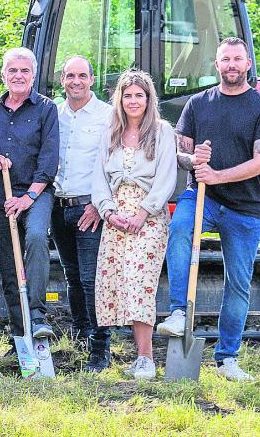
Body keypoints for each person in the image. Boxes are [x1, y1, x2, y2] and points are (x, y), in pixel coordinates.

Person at [157, 37, 260, 382]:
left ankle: (227, 358)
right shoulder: (198, 104)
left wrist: (216, 174)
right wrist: (192, 159)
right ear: (217, 65)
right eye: (225, 59)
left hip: (246, 206)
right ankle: (180, 312)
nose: (230, 65)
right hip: (202, 197)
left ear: (247, 65)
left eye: (237, 59)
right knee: (180, 228)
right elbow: (180, 153)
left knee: (238, 283)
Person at [92, 69, 177, 380]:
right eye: (127, 95)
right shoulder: (110, 133)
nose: (133, 100)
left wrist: (143, 212)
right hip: (115, 214)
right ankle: (131, 354)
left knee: (140, 283)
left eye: (139, 95)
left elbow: (167, 176)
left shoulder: (162, 131)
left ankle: (146, 358)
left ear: (148, 98)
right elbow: (99, 178)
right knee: (119, 283)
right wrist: (108, 211)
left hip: (148, 216)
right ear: (120, 100)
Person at [0, 47, 59, 341]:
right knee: (9, 267)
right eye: (12, 70)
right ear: (3, 75)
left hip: (35, 193)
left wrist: (28, 198)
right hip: (1, 197)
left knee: (36, 237)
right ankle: (20, 335)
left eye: (24, 71)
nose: (18, 76)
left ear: (33, 75)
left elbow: (49, 160)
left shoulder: (46, 109)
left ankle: (37, 316)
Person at [51, 56, 113, 372]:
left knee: (91, 280)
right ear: (63, 80)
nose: (76, 81)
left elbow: (114, 164)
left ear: (91, 79)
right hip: (58, 208)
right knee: (72, 277)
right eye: (70, 76)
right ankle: (80, 337)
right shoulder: (54, 114)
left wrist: (99, 205)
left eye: (82, 76)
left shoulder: (107, 116)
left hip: (90, 208)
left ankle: (100, 350)